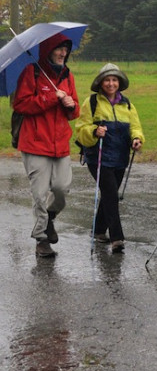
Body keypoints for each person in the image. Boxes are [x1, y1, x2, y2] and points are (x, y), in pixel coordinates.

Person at [12, 33, 80, 258]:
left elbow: (74, 112)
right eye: (59, 49)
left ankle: (49, 219)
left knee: (61, 189)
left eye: (65, 50)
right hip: (34, 143)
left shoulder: (68, 76)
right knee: (40, 194)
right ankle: (41, 239)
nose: (63, 53)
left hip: (60, 143)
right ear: (48, 49)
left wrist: (70, 105)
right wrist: (52, 97)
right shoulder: (32, 72)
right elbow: (21, 104)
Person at [75, 63, 144, 253]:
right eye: (107, 80)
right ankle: (117, 238)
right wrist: (94, 131)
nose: (111, 83)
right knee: (111, 195)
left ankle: (98, 231)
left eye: (114, 80)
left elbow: (135, 127)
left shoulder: (127, 104)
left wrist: (137, 139)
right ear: (100, 82)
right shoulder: (91, 102)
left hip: (120, 158)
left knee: (108, 195)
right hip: (98, 158)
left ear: (119, 82)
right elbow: (81, 130)